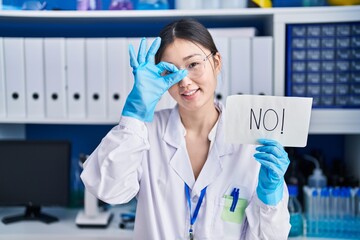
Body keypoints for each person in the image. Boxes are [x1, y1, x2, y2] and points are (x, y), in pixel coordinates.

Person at [81, 18, 291, 239]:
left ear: (216, 63)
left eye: (193, 65)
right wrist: (134, 115)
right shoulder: (144, 134)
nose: (184, 81)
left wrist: (270, 196)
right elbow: (108, 190)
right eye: (170, 71)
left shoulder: (250, 142)